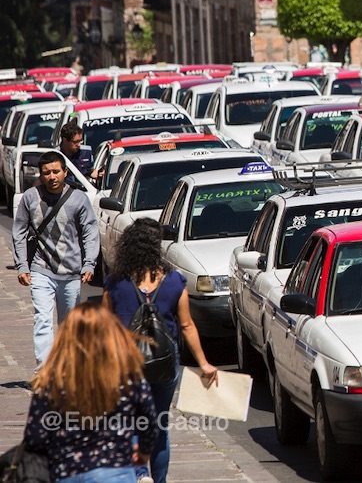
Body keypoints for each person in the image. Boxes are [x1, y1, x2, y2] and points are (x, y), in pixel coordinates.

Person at [103, 218, 218, 483]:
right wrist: (203, 363)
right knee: (159, 426)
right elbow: (187, 326)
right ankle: (159, 480)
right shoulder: (174, 282)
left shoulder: (116, 282)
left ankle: (140, 474)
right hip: (165, 363)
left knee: (132, 422)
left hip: (127, 362)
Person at [24, 302, 159, 483]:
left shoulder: (52, 382)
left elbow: (34, 437)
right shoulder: (128, 379)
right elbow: (149, 422)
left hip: (66, 471)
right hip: (115, 470)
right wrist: (143, 453)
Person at [12, 151, 99, 369]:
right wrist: (22, 265)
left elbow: (90, 232)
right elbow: (19, 231)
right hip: (41, 269)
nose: (52, 177)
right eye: (46, 173)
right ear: (40, 175)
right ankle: (45, 371)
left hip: (71, 272)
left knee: (68, 325)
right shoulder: (30, 198)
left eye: (56, 171)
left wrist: (89, 263)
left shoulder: (78, 199)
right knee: (42, 319)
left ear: (65, 172)